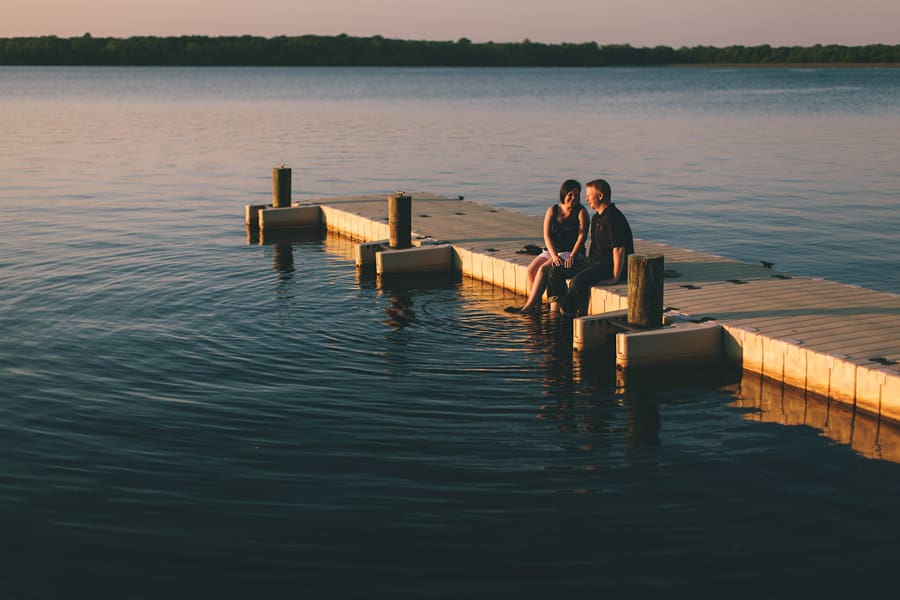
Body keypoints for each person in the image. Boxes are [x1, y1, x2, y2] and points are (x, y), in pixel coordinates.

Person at [546, 178, 634, 317]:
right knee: (555, 272)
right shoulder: (597, 218)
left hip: (608, 264)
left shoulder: (613, 218)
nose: (586, 199)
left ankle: (567, 314)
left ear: (600, 196)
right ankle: (555, 310)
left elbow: (619, 249)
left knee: (577, 281)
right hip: (594, 261)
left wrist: (615, 277)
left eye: (589, 195)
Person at [506, 179, 589, 314]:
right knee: (531, 270)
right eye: (570, 194)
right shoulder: (552, 210)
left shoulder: (581, 212)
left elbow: (582, 237)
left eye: (577, 195)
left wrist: (572, 255)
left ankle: (528, 307)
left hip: (570, 252)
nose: (573, 198)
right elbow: (547, 235)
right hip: (552, 250)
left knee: (543, 269)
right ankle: (536, 304)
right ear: (563, 194)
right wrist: (554, 254)